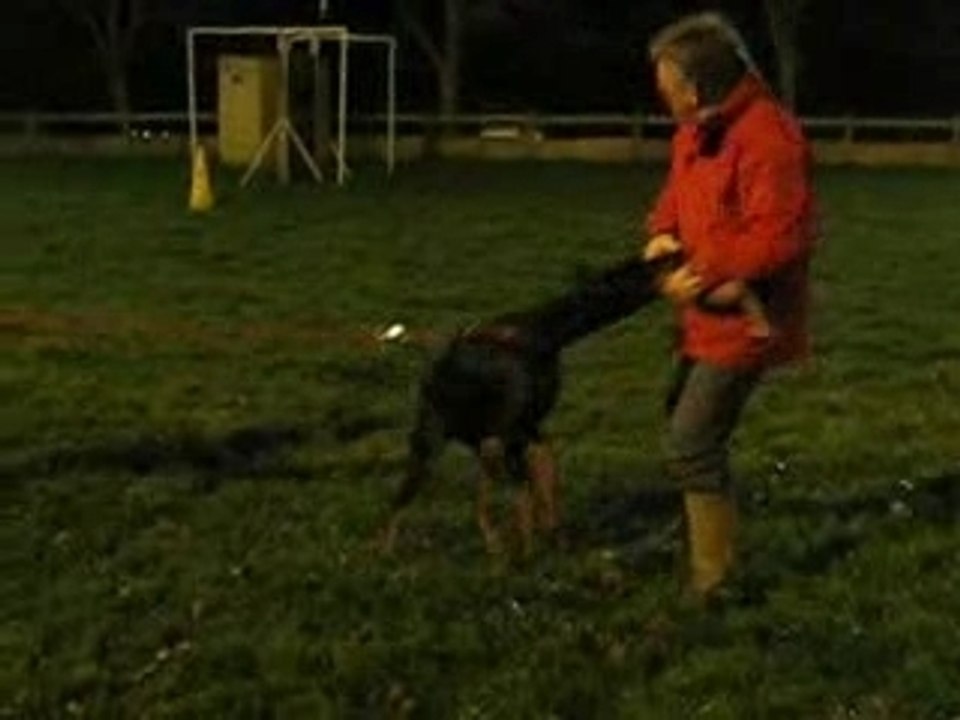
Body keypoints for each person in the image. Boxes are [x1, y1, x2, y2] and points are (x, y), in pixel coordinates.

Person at [640, 12, 818, 598]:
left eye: (666, 83)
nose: (660, 93)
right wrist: (661, 245)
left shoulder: (768, 137)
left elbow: (781, 235)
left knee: (692, 440)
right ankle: (690, 540)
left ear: (694, 88)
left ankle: (714, 579)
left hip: (747, 320)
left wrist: (710, 272)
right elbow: (674, 201)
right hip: (699, 313)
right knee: (679, 425)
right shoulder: (695, 131)